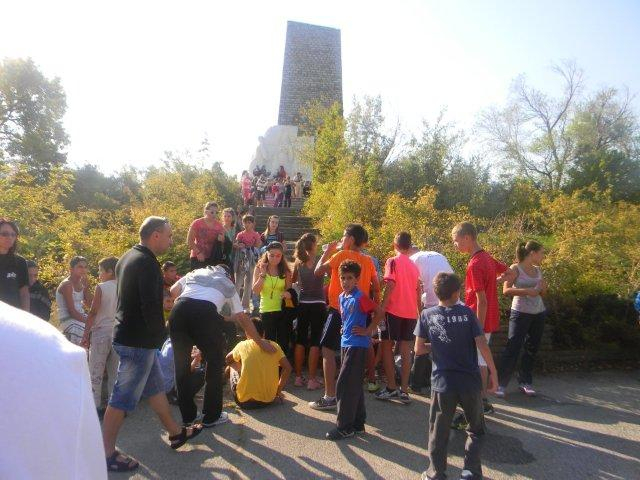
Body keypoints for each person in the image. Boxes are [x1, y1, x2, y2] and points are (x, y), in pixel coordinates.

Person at [102, 217, 202, 473]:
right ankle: (105, 453)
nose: (171, 240)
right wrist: (162, 337)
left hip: (130, 336)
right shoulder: (146, 263)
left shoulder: (127, 257)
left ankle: (176, 433)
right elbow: (150, 306)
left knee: (156, 387)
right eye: (169, 236)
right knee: (121, 398)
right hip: (138, 342)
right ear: (155, 235)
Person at [0, 302, 107, 479]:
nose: (82, 272)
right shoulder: (46, 348)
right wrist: (90, 324)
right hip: (68, 327)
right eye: (79, 270)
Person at [414, 272, 498, 480]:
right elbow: (482, 344)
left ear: (436, 292)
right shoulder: (468, 313)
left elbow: (418, 350)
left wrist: (440, 344)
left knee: (439, 430)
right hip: (469, 382)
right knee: (476, 428)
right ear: (457, 291)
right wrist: (493, 372)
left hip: (443, 383)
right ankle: (470, 470)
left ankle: (436, 472)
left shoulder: (426, 315)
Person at [169, 264, 276, 427]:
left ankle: (188, 416)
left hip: (178, 311)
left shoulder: (195, 272)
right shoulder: (227, 283)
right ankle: (211, 416)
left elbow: (174, 291)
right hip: (205, 314)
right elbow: (242, 317)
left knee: (181, 366)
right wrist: (260, 342)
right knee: (214, 362)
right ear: (229, 274)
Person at [310, 224, 380, 411]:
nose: (341, 240)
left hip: (339, 309)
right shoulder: (368, 261)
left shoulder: (340, 255)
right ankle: (370, 382)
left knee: (327, 350)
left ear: (350, 239)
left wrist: (329, 251)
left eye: (343, 236)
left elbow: (317, 272)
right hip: (361, 311)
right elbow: (376, 286)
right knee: (360, 347)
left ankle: (330, 396)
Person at [451, 222, 513, 428]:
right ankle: (482, 402)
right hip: (489, 321)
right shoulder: (486, 258)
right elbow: (512, 274)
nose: (455, 244)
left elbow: (482, 300)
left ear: (467, 238)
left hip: (479, 321)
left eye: (456, 240)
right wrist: (496, 280)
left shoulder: (475, 264)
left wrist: (476, 327)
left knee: (474, 364)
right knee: (481, 362)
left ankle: (474, 410)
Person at [326, 260, 383, 440]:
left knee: (344, 385)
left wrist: (369, 330)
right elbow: (347, 317)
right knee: (354, 384)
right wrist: (344, 327)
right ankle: (358, 423)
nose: (345, 281)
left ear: (357, 279)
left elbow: (379, 312)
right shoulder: (342, 297)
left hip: (358, 345)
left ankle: (344, 426)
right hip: (346, 343)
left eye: (349, 278)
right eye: (343, 278)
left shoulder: (360, 297)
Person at [497, 241, 547, 398]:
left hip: (538, 313)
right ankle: (500, 383)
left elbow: (542, 294)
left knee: (532, 348)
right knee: (513, 347)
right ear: (532, 253)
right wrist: (528, 291)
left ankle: (525, 382)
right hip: (520, 312)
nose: (543, 256)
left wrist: (543, 289)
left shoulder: (538, 270)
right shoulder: (515, 268)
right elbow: (506, 290)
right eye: (541, 253)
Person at [376, 232, 421, 404]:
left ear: (394, 245)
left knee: (386, 346)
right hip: (410, 313)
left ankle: (391, 388)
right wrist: (420, 313)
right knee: (406, 352)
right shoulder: (413, 265)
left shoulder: (392, 261)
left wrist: (381, 307)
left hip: (393, 311)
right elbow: (418, 292)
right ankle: (404, 390)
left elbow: (391, 284)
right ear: (409, 247)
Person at [409, 245, 454, 392]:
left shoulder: (411, 259)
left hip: (433, 304)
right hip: (452, 301)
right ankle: (441, 380)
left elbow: (416, 289)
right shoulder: (437, 255)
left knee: (421, 345)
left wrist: (418, 312)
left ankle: (416, 383)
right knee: (444, 342)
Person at [81, 256, 119, 415]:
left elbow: (94, 311)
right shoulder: (124, 286)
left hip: (101, 332)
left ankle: (95, 406)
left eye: (101, 271)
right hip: (118, 332)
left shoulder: (102, 287)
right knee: (115, 372)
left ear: (110, 271)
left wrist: (86, 334)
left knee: (95, 370)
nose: (99, 274)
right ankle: (115, 407)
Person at [227, 318, 292, 408]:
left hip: (245, 401)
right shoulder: (274, 345)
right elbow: (288, 368)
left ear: (246, 333)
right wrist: (278, 390)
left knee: (232, 364)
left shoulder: (242, 345)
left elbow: (227, 359)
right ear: (264, 333)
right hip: (269, 399)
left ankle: (224, 384)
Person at [291, 233, 327, 390]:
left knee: (300, 340)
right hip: (318, 304)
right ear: (312, 245)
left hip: (303, 304)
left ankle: (298, 377)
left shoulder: (298, 262)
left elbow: (293, 280)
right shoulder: (320, 260)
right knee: (315, 341)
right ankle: (312, 379)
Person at [252, 242, 293, 356]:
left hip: (282, 311)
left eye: (278, 255)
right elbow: (255, 291)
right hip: (266, 311)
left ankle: (281, 371)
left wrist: (288, 294)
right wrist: (263, 274)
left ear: (282, 256)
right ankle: (270, 370)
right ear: (267, 254)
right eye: (272, 255)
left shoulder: (285, 271)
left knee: (282, 343)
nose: (275, 258)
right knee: (269, 343)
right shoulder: (259, 268)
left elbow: (290, 292)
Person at [56, 256, 92, 346]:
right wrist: (89, 322)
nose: (83, 270)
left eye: (85, 267)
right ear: (71, 269)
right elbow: (72, 312)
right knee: (87, 332)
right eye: (80, 267)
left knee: (102, 328)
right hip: (67, 319)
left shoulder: (82, 283)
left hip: (80, 317)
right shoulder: (67, 284)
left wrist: (87, 287)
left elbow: (90, 305)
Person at [0, 218, 29, 311]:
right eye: (5, 234)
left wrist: (26, 315)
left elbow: (24, 293)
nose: (10, 237)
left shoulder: (20, 262)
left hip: (13, 318)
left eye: (13, 234)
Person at [186, 201, 225, 270]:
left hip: (213, 258)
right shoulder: (197, 223)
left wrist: (222, 240)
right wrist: (198, 253)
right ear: (206, 212)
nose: (214, 214)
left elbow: (223, 243)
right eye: (212, 212)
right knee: (198, 280)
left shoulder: (219, 226)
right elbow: (189, 241)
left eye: (216, 212)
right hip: (197, 257)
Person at [235, 215, 262, 310]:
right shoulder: (240, 234)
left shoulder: (256, 234)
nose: (247, 224)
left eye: (249, 222)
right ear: (243, 223)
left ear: (253, 224)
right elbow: (236, 244)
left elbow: (259, 244)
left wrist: (253, 246)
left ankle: (245, 305)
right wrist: (239, 245)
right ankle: (235, 303)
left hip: (251, 260)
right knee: (238, 281)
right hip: (242, 259)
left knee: (249, 281)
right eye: (245, 222)